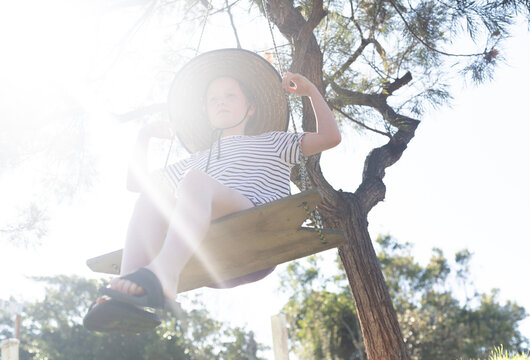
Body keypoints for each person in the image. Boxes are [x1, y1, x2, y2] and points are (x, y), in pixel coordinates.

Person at [83, 48, 341, 333]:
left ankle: (164, 276)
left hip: (256, 228)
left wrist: (311, 93)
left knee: (194, 181)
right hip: (211, 254)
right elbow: (136, 184)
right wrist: (144, 137)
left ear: (250, 107)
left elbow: (330, 137)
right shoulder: (196, 160)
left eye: (230, 96)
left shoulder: (273, 142)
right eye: (213, 99)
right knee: (151, 197)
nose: (221, 103)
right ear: (206, 111)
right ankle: (125, 293)